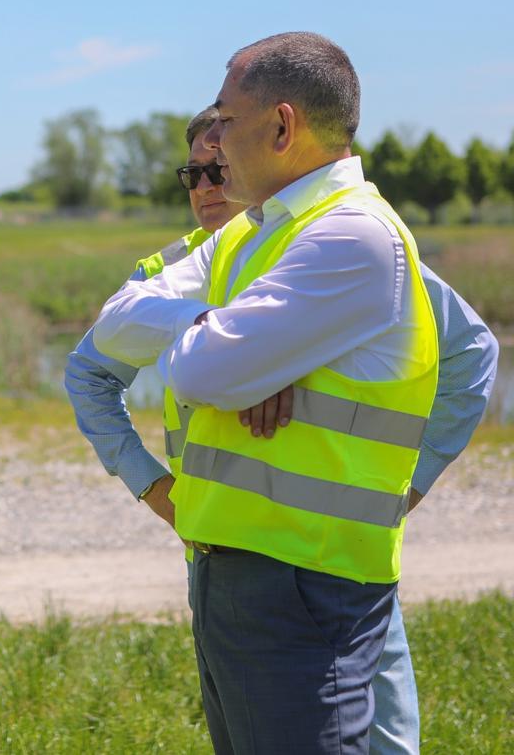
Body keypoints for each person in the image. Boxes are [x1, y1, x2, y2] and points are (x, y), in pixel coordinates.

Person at [68, 108, 498, 753]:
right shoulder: (168, 272)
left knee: (382, 738)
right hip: (219, 548)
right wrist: (157, 485)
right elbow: (89, 374)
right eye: (196, 172)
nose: (212, 184)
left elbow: (472, 354)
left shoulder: (338, 246)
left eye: (223, 166)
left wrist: (407, 486)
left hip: (327, 558)